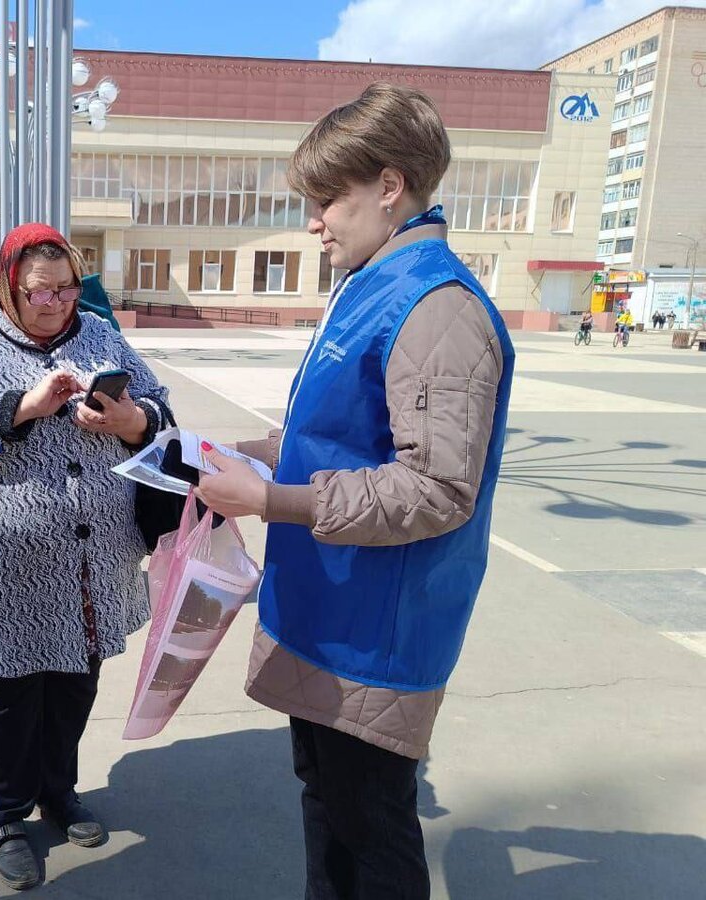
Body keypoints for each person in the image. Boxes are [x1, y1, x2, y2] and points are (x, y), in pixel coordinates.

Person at [195, 83, 514, 900]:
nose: (315, 220)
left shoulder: (435, 307)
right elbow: (334, 438)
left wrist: (271, 502)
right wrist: (235, 454)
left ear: (389, 185)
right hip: (331, 614)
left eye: (327, 198)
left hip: (375, 632)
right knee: (331, 809)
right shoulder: (373, 284)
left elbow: (437, 488)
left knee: (370, 830)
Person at [0, 223, 170, 892]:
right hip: (7, 559)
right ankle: (1, 816)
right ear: (8, 285)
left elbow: (157, 406)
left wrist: (126, 417)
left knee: (75, 679)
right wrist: (23, 406)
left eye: (66, 287)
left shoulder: (99, 333)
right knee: (7, 690)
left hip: (93, 558)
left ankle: (59, 791)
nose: (56, 302)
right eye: (41, 291)